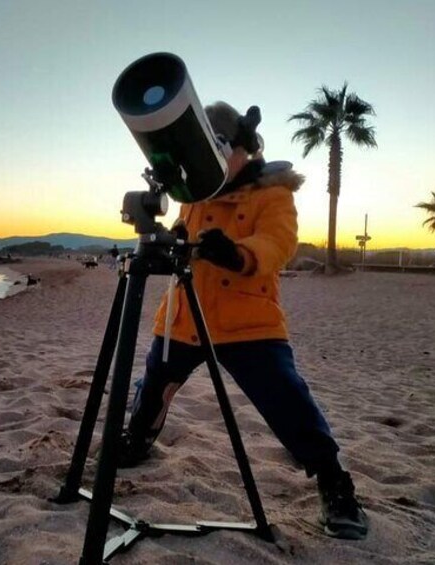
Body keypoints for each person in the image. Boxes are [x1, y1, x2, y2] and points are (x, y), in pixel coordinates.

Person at [118, 101, 368, 540]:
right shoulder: (194, 192)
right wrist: (174, 239)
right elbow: (184, 231)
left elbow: (278, 243)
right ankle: (138, 438)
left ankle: (332, 479)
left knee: (286, 398)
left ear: (242, 148)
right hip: (185, 313)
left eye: (218, 147)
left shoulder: (273, 192)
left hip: (248, 320)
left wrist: (237, 253)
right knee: (155, 382)